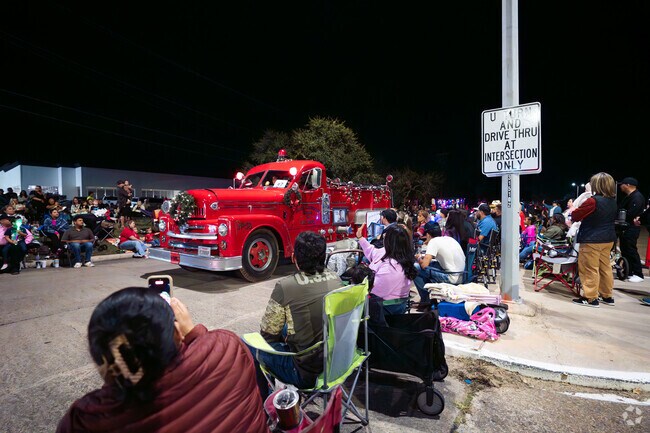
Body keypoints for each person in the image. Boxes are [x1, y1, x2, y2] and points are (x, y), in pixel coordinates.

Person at [56, 287, 268, 433]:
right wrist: (194, 332)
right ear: (177, 333)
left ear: (102, 362)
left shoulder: (84, 420)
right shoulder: (228, 347)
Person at [246, 231, 344, 400]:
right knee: (287, 326)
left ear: (295, 258)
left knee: (249, 345)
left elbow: (268, 334)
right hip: (337, 363)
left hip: (304, 373)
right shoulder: (336, 280)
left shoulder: (286, 286)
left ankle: (264, 403)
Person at [570, 172, 617, 307]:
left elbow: (576, 215)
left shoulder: (593, 201)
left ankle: (590, 298)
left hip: (592, 239)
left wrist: (574, 209)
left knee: (589, 268)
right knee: (605, 267)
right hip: (608, 239)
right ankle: (607, 296)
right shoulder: (612, 201)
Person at [356, 223, 418, 314]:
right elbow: (372, 251)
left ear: (390, 241)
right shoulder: (391, 253)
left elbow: (374, 291)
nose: (383, 237)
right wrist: (360, 237)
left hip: (386, 307)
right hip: (381, 301)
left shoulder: (392, 267)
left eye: (385, 236)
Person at [413, 221, 466, 309]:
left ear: (428, 235)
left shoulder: (433, 241)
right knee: (431, 266)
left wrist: (418, 257)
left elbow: (424, 265)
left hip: (451, 277)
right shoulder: (449, 239)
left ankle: (425, 301)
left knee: (415, 268)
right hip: (462, 274)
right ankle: (430, 298)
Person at [617, 177, 646, 283]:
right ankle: (628, 271)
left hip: (631, 228)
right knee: (625, 250)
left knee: (631, 250)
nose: (620, 186)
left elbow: (631, 213)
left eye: (622, 184)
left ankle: (638, 273)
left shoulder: (637, 197)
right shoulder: (629, 196)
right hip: (625, 228)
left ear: (628, 185)